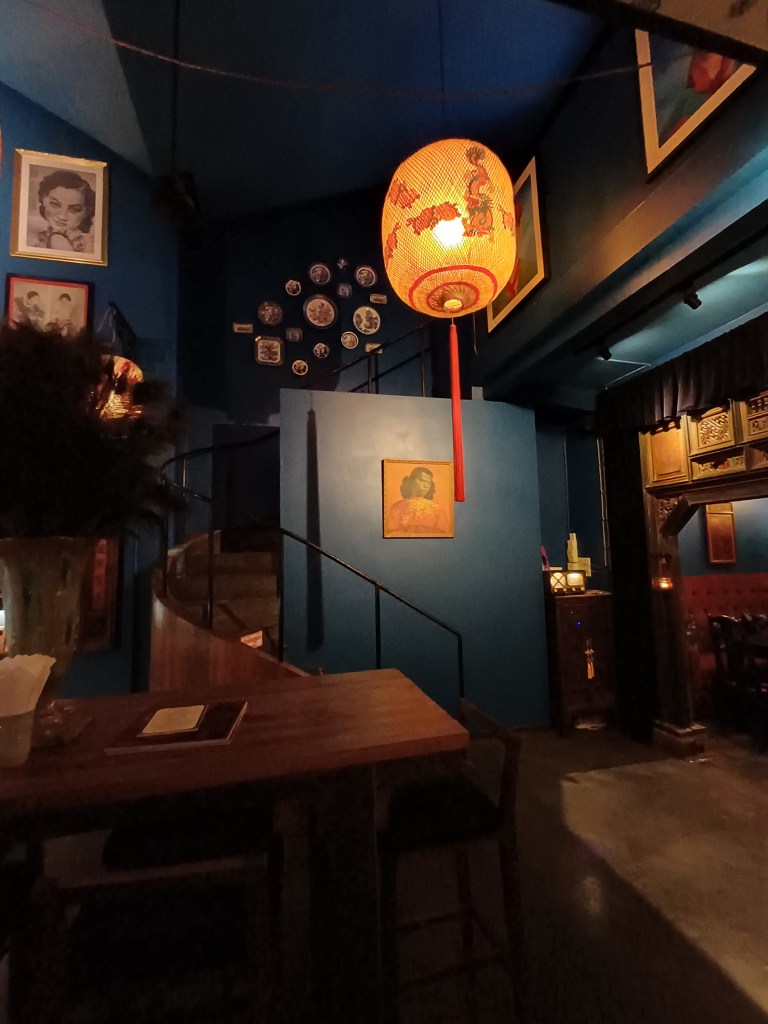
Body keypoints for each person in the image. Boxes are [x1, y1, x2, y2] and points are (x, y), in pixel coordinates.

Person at [33, 170, 96, 253]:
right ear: (43, 200)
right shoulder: (49, 237)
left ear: (86, 213)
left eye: (74, 210)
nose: (62, 216)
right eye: (55, 204)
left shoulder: (58, 239)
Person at [386, 466, 451, 536]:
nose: (425, 486)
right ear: (411, 481)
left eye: (428, 483)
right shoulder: (398, 507)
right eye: (421, 480)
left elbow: (445, 534)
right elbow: (391, 533)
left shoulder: (437, 509)